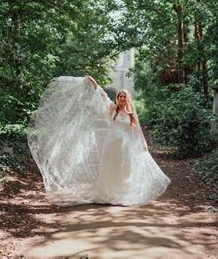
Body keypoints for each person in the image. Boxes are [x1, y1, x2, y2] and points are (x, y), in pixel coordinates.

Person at [27, 75, 170, 207]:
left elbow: (137, 131)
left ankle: (122, 194)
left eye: (123, 96)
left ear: (127, 99)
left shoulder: (131, 115)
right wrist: (94, 82)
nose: (121, 98)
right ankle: (107, 194)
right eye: (120, 96)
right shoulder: (113, 110)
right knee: (110, 167)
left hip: (124, 146)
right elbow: (102, 95)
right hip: (111, 144)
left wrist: (143, 145)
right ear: (117, 98)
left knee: (124, 168)